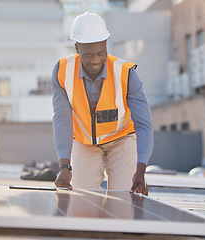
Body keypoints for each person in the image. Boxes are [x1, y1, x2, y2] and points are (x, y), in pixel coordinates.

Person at [51, 12, 153, 195]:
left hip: (122, 140)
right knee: (81, 201)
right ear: (76, 48)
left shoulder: (126, 73)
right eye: (88, 55)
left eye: (101, 53)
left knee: (125, 200)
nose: (95, 61)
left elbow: (144, 124)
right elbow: (62, 119)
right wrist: (64, 165)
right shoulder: (62, 71)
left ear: (106, 44)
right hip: (84, 143)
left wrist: (141, 168)